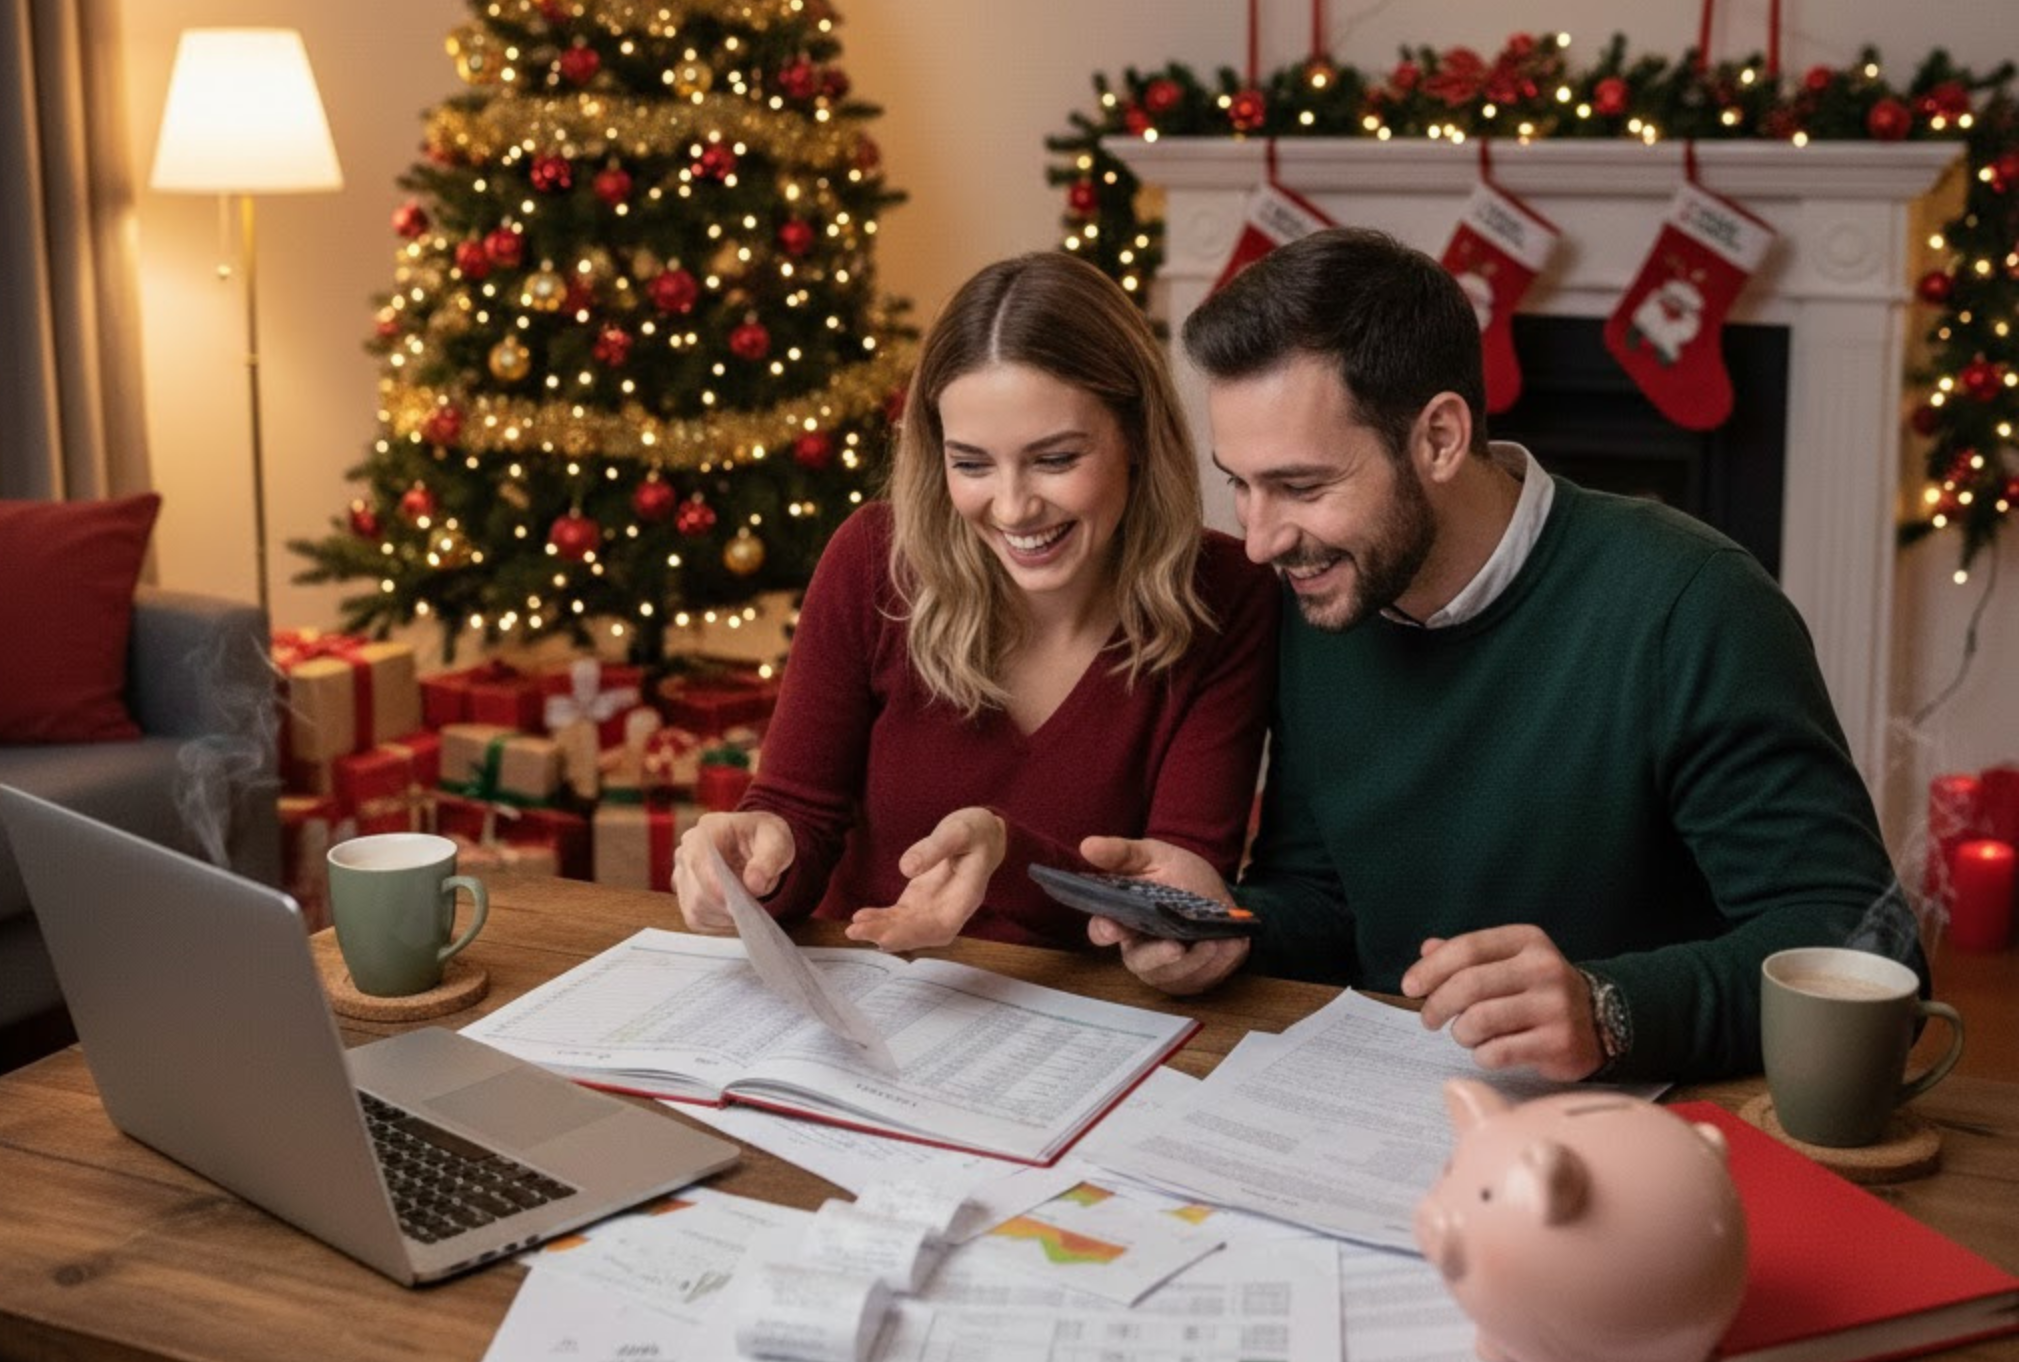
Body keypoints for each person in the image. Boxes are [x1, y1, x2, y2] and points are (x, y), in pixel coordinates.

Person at [1084, 226, 1922, 1084]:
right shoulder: (1323, 593)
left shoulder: (1691, 604)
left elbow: (1860, 938)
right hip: (1385, 1111)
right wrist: (1225, 926)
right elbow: (1325, 897)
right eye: (1240, 482)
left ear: (1440, 438)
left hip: (1644, 1140)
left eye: (1301, 486)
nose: (1259, 542)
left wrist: (1608, 1008)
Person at [672, 252, 1279, 952]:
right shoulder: (873, 561)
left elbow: (1172, 897)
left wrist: (1005, 854)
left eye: (1055, 459)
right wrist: (755, 862)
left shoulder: (1231, 593)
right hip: (870, 1005)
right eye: (971, 463)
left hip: (1089, 1030)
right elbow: (796, 823)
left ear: (1136, 436)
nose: (1014, 507)